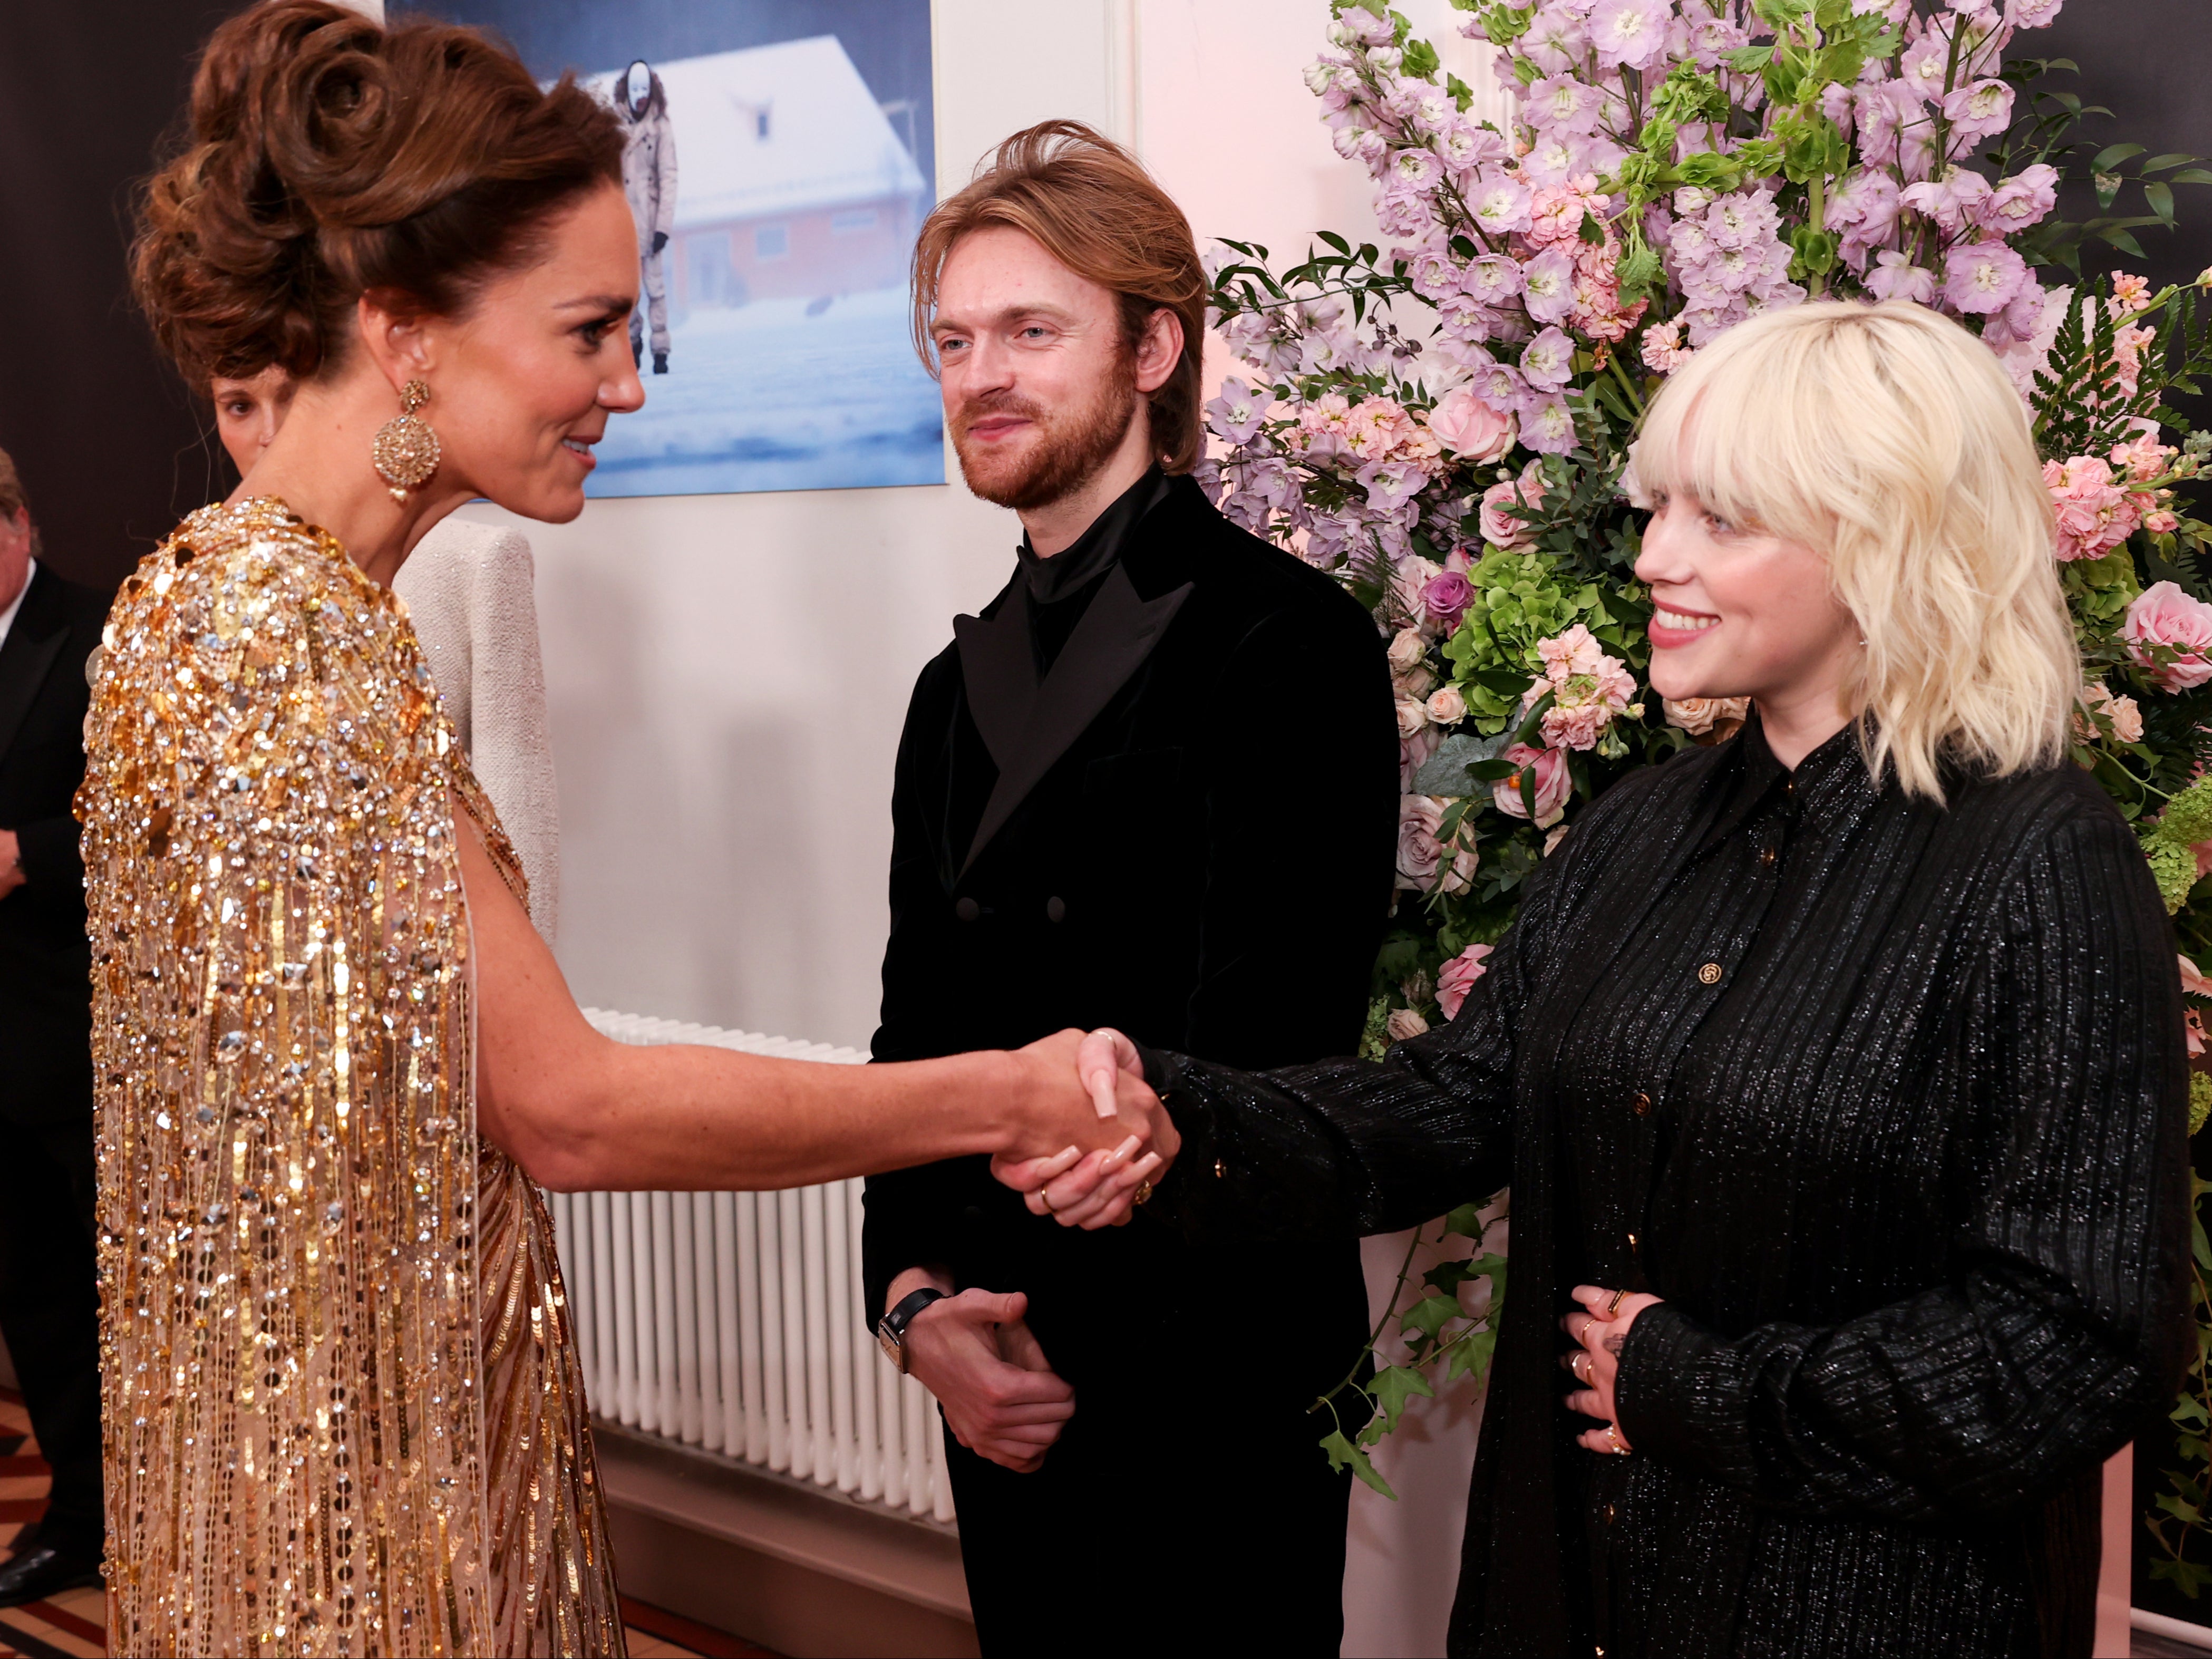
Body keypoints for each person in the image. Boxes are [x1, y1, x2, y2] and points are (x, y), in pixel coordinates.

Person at [113, 7, 1165, 1654]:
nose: (627, 378)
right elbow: (572, 1109)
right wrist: (1012, 1089)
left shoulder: (210, 604)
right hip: (361, 1513)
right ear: (405, 333)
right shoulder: (286, 644)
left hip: (320, 1458)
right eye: (591, 326)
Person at [1023, 301, 2194, 1657]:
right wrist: (1183, 1118)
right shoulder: (1644, 823)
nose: (1653, 557)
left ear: (1887, 540)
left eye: (1719, 519)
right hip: (1569, 1585)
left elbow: (2080, 1340)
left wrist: (1696, 1386)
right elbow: (1458, 1098)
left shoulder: (2040, 857)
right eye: (1658, 509)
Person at [864, 121, 1398, 1656]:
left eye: (1033, 331)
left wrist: (1035, 1336)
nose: (982, 375)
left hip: (1208, 1376)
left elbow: (1269, 1056)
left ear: (1153, 346)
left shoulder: (1289, 646)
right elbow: (912, 1036)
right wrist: (918, 1307)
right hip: (991, 1363)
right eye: (955, 340)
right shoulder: (943, 695)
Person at [212, 367, 562, 938]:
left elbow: (517, 805)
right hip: (264, 973)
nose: (271, 433)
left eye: (292, 400)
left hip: (434, 962)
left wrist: (530, 1000)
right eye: (239, 407)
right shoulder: (197, 587)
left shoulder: (472, 563)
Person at [0, 449, 110, 1608]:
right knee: (31, 1293)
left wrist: (26, 852)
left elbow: (159, 818)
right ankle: (78, 1515)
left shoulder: (102, 628)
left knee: (112, 1291)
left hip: (76, 1038)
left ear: (20, 519)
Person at [617, 59, 674, 376]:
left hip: (651, 223)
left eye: (644, 90)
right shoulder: (613, 127)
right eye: (634, 89)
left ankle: (661, 351)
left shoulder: (661, 127)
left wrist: (663, 227)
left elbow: (670, 177)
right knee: (629, 291)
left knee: (656, 289)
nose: (640, 96)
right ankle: (634, 345)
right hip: (623, 224)